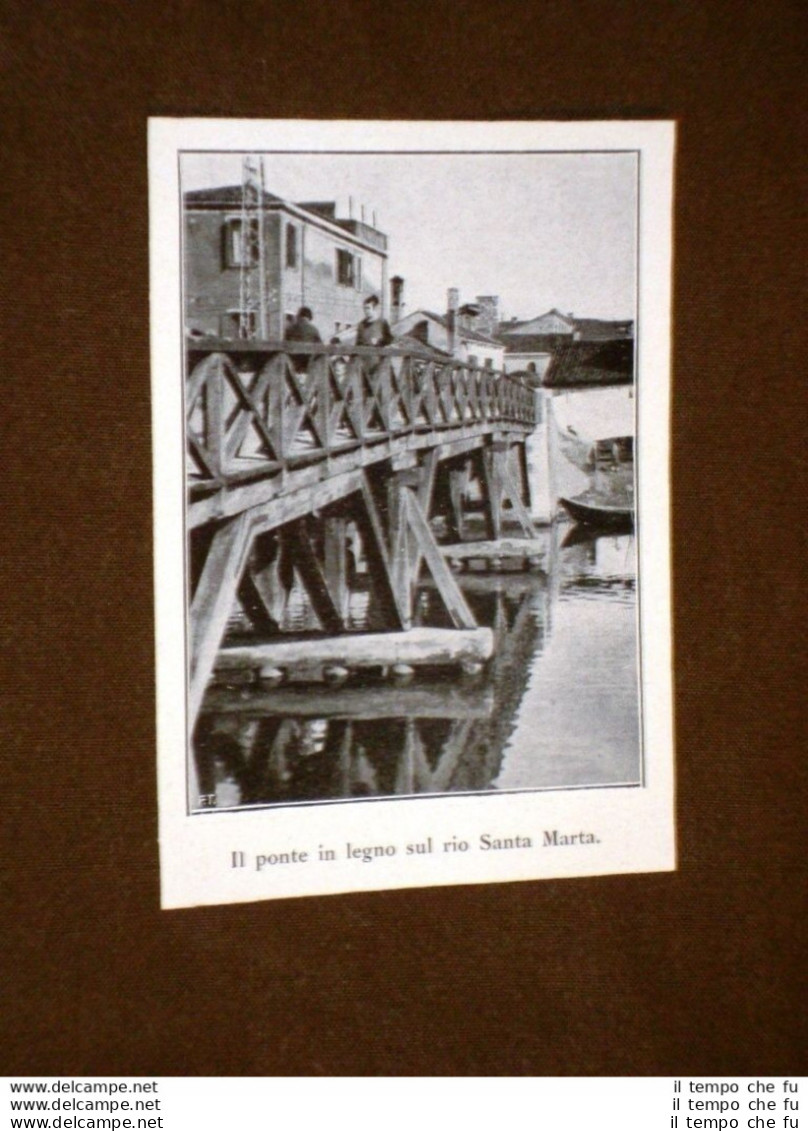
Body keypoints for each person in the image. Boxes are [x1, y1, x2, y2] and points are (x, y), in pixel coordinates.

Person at [285, 306, 322, 372]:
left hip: (292, 363)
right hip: (308, 363)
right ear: (309, 317)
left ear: (298, 316)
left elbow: (284, 343)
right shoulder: (314, 330)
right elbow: (321, 347)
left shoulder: (289, 328)